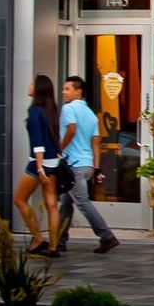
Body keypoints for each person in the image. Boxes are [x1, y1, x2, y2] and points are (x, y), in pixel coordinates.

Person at [58, 75, 119, 254]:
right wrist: (96, 167)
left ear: (78, 91)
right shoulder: (91, 115)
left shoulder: (68, 108)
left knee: (82, 202)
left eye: (67, 89)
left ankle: (107, 236)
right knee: (66, 202)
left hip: (73, 164)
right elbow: (96, 142)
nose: (63, 92)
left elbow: (71, 129)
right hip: (86, 164)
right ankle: (60, 240)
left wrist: (59, 149)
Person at [13, 75, 61, 257]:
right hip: (53, 162)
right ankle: (53, 247)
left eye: (33, 83)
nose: (30, 85)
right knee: (52, 204)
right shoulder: (51, 110)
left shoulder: (34, 111)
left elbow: (38, 142)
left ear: (38, 89)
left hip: (38, 163)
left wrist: (39, 168)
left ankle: (38, 238)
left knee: (19, 199)